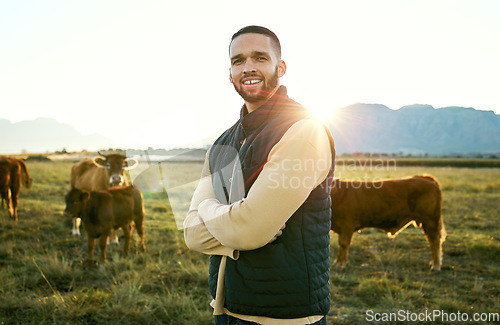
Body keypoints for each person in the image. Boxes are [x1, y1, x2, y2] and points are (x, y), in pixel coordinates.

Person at [183, 25, 335, 325]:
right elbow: (192, 234)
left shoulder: (303, 130)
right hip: (224, 309)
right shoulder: (223, 142)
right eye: (238, 60)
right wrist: (235, 222)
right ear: (230, 74)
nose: (248, 67)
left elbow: (248, 230)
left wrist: (209, 212)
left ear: (281, 67)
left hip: (284, 318)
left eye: (260, 58)